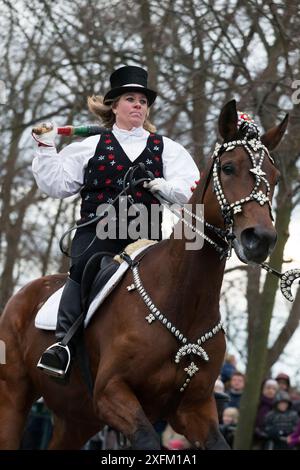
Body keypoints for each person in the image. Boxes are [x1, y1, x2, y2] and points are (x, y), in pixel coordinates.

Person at [32, 65, 200, 380]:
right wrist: (46, 147)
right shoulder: (89, 146)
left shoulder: (169, 150)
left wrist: (162, 186)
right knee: (82, 267)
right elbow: (56, 185)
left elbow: (191, 190)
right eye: (131, 98)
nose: (138, 105)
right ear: (114, 105)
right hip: (98, 233)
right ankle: (63, 346)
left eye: (143, 101)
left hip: (146, 236)